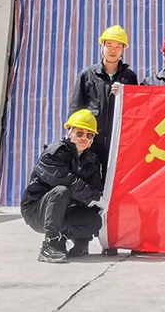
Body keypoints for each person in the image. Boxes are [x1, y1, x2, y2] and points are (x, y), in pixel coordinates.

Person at [20, 109, 104, 264]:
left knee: (94, 220)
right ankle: (50, 244)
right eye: (80, 133)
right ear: (69, 132)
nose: (84, 138)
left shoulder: (91, 160)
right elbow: (65, 181)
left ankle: (76, 240)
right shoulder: (55, 153)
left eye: (89, 135)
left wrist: (98, 199)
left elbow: (94, 191)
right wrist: (94, 196)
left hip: (63, 211)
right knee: (61, 191)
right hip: (37, 210)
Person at [69, 25, 138, 173]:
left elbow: (135, 111)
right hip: (91, 139)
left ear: (123, 49)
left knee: (113, 178)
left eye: (118, 46)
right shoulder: (87, 75)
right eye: (109, 45)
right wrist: (74, 135)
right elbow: (76, 107)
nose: (113, 50)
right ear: (102, 46)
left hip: (117, 142)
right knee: (87, 177)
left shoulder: (129, 77)